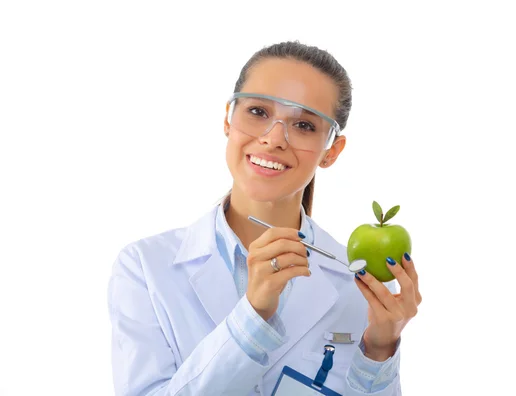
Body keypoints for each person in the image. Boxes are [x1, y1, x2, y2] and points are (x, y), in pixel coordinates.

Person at [107, 40, 422, 396]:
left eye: (303, 124)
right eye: (258, 112)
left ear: (331, 151)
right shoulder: (146, 268)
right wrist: (253, 316)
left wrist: (379, 352)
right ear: (228, 118)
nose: (274, 139)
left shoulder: (359, 285)